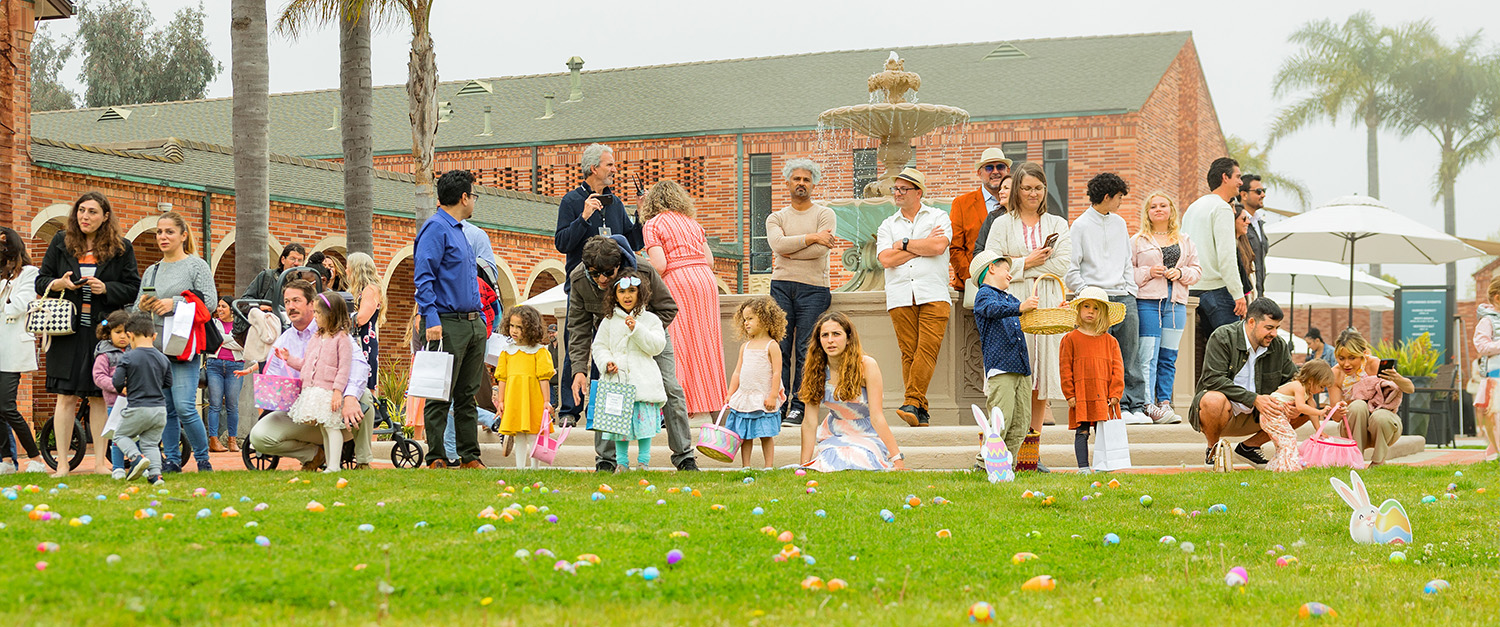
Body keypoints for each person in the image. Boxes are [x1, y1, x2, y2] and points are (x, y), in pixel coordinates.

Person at [565, 235, 697, 472]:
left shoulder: (643, 270)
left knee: (670, 387)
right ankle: (605, 461)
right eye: (595, 273)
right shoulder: (578, 280)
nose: (602, 279)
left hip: (650, 334)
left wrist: (644, 329)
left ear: (618, 265)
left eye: (608, 273)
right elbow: (578, 328)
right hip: (612, 338)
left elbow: (668, 307)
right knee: (607, 391)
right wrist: (578, 370)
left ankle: (684, 456)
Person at [36, 192, 140, 477]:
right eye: (81, 210)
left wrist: (106, 289)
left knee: (98, 395)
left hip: (102, 334)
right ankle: (63, 465)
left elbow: (132, 287)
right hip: (66, 332)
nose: (85, 216)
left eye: (92, 212)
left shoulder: (122, 248)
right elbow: (41, 280)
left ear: (105, 216)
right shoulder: (60, 242)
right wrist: (59, 283)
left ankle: (98, 464)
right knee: (65, 397)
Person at [983, 162, 1072, 453]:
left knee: (1041, 373)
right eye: (1026, 188)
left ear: (1045, 190)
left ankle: (1030, 452)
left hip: (1045, 300)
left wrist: (1018, 261)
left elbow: (1062, 264)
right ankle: (1000, 448)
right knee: (1014, 373)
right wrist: (1028, 262)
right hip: (1014, 300)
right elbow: (993, 262)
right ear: (1017, 190)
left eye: (1038, 188)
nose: (1032, 193)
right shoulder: (1001, 223)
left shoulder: (1057, 224)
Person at [554, 143, 644, 424]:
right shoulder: (571, 202)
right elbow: (562, 243)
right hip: (583, 287)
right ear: (594, 168)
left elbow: (633, 242)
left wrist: (640, 215)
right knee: (577, 345)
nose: (614, 170)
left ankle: (605, 409)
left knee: (612, 345)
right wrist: (584, 217)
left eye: (614, 165)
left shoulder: (616, 203)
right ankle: (570, 411)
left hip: (615, 289)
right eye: (609, 165)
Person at [244, 281, 375, 470]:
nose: (290, 306)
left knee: (364, 396)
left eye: (296, 300)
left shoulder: (336, 334)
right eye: (287, 301)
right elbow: (276, 379)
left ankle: (363, 461)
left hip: (337, 408)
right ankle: (313, 455)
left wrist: (349, 396)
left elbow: (358, 365)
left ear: (311, 304)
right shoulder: (284, 339)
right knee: (259, 437)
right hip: (305, 409)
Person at [415, 169, 489, 470]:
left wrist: (481, 321)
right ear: (463, 197)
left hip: (473, 322)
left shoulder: (459, 230)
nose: (474, 201)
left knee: (467, 394)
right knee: (439, 392)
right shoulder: (436, 228)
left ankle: (470, 456)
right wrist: (431, 319)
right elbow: (424, 278)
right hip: (446, 322)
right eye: (474, 195)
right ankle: (436, 457)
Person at [136, 211, 216, 474]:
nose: (163, 237)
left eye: (169, 231)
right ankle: (171, 460)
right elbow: (138, 310)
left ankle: (203, 460)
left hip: (184, 346)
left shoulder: (196, 266)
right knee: (166, 409)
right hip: (156, 347)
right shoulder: (151, 271)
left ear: (183, 235)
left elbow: (211, 304)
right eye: (159, 232)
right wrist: (143, 305)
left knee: (184, 406)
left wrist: (176, 302)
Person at [1067, 173, 1148, 424]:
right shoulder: (1079, 226)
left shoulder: (1120, 224)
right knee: (1102, 359)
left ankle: (1136, 406)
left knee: (1130, 354)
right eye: (1119, 197)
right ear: (1107, 197)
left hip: (1124, 297)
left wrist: (1130, 290)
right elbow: (1071, 269)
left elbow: (1126, 261)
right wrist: (1088, 294)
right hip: (1095, 301)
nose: (1121, 202)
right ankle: (1115, 408)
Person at [642, 180, 727, 417]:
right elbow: (710, 261)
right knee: (707, 345)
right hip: (705, 281)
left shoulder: (652, 225)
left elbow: (660, 265)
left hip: (678, 282)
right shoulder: (693, 223)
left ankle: (681, 407)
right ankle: (715, 408)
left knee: (677, 345)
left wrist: (641, 264)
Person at [1188, 298, 1305, 467]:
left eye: (1277, 328)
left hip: (1262, 415)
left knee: (1305, 405)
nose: (1274, 334)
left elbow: (1292, 379)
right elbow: (1212, 379)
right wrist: (1254, 399)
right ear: (1251, 322)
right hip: (1224, 413)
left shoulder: (1278, 345)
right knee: (1212, 400)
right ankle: (1213, 450)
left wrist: (1292, 403)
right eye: (1269, 327)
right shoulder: (1223, 337)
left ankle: (1250, 447)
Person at [875, 168, 951, 427]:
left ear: (918, 192)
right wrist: (920, 247)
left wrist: (904, 244)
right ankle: (920, 410)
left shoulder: (939, 216)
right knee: (909, 353)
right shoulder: (887, 225)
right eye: (895, 189)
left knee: (926, 350)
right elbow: (886, 259)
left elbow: (938, 246)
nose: (897, 193)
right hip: (899, 295)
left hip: (934, 293)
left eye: (903, 189)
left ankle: (911, 401)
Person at [766, 158, 836, 427]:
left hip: (814, 289)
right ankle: (779, 404)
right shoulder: (777, 217)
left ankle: (799, 406)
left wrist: (790, 250)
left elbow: (822, 249)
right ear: (788, 183)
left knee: (806, 348)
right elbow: (777, 244)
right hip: (781, 286)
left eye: (806, 179)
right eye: (797, 179)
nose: (801, 184)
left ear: (813, 184)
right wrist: (810, 237)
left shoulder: (824, 214)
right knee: (780, 347)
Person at [798, 311, 906, 471]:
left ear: (848, 338)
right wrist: (803, 465)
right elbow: (809, 422)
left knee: (858, 457)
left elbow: (877, 416)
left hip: (866, 433)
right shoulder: (815, 370)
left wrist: (897, 459)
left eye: (836, 334)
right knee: (833, 457)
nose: (830, 340)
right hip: (835, 433)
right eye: (825, 335)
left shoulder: (867, 366)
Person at [1131, 191, 1200, 424]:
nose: (1158, 209)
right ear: (1147, 213)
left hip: (1176, 303)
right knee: (1147, 355)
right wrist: (1148, 272)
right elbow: (1127, 273)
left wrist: (1180, 273)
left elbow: (1197, 271)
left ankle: (1164, 403)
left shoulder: (1185, 240)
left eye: (1163, 205)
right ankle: (1147, 403)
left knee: (1168, 356)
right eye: (1153, 207)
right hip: (1147, 303)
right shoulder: (1138, 240)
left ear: (1171, 209)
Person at [591, 269, 667, 471]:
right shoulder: (608, 321)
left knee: (644, 426)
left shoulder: (650, 320)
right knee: (618, 427)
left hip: (643, 381)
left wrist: (637, 329)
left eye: (632, 291)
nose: (627, 296)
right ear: (614, 295)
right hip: (617, 382)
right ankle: (622, 463)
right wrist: (607, 362)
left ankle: (644, 462)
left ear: (640, 293)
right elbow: (599, 346)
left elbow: (657, 346)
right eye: (622, 292)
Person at [1182, 157, 1245, 381]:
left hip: (1190, 291)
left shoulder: (1193, 207)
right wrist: (1238, 294)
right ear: (1224, 177)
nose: (1240, 182)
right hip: (1218, 291)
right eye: (1238, 177)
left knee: (1197, 356)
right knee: (1236, 352)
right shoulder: (1221, 208)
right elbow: (1227, 256)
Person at [971, 251, 1038, 455]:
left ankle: (1007, 464)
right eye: (1006, 270)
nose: (1010, 275)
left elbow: (1025, 312)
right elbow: (994, 309)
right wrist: (1020, 307)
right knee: (1001, 420)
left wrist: (1048, 309)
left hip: (1021, 368)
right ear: (992, 268)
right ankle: (985, 464)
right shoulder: (984, 295)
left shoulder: (1009, 298)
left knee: (1021, 421)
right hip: (1001, 369)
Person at [1059, 288, 1125, 470]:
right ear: (1079, 309)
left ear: (1102, 313)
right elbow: (1065, 368)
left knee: (1104, 433)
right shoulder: (1070, 339)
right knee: (1082, 431)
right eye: (1086, 306)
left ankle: (1106, 465)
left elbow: (1118, 370)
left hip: (1104, 395)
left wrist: (1115, 393)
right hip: (1082, 394)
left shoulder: (1110, 341)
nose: (1090, 311)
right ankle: (1083, 467)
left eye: (1096, 308)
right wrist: (1070, 394)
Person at [0, 227, 45, 474]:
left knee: (7, 406)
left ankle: (35, 457)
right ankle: (7, 460)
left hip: (14, 347)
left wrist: (6, 287)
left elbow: (19, 306)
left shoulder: (29, 272)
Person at [1330, 330, 1408, 466]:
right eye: (1341, 358)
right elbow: (1336, 418)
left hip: (1383, 425)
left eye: (1352, 358)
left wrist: (1397, 378)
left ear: (1363, 354)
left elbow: (1406, 389)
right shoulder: (1335, 374)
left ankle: (1378, 463)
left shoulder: (1374, 365)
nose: (1346, 364)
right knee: (1358, 405)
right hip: (1353, 427)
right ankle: (1355, 462)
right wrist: (1341, 408)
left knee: (1380, 416)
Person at [725, 296, 786, 469]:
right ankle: (746, 466)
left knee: (766, 435)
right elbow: (737, 371)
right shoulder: (745, 346)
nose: (746, 323)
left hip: (763, 398)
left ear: (765, 319)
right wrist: (731, 393)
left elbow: (777, 373)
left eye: (750, 318)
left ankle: (768, 466)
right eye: (744, 319)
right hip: (746, 397)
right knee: (745, 435)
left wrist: (773, 396)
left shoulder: (772, 346)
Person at [111, 313, 171, 484]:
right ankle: (156, 476)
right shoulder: (163, 358)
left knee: (120, 435)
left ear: (130, 335)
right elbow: (167, 383)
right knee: (151, 444)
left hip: (138, 407)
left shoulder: (128, 357)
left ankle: (135, 457)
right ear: (154, 335)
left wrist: (125, 387)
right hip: (159, 410)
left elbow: (116, 382)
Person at [494, 304, 553, 470]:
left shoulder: (539, 351)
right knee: (519, 435)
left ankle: (535, 468)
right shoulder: (507, 352)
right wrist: (501, 401)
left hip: (533, 398)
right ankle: (520, 468)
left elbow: (544, 378)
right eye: (512, 326)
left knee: (534, 434)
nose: (514, 330)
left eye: (519, 327)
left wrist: (546, 401)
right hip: (514, 399)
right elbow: (502, 378)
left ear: (530, 328)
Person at [949, 148, 1011, 292]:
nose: (995, 171)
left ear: (1007, 170)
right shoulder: (962, 203)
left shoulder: (1020, 206)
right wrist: (976, 279)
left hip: (1013, 284)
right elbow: (955, 249)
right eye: (989, 167)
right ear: (979, 173)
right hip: (973, 286)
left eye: (1000, 167)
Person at [1265, 360, 1338, 472]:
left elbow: (1311, 411)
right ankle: (1290, 468)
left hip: (1277, 416)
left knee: (1284, 443)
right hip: (1271, 414)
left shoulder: (1308, 393)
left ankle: (1276, 467)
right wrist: (1320, 412)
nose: (1322, 390)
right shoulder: (1298, 386)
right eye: (1321, 386)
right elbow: (1300, 407)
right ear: (1311, 380)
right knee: (1290, 438)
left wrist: (1318, 429)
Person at [90, 311, 130, 479]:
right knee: (117, 436)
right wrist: (117, 387)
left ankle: (137, 465)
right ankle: (118, 468)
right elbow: (99, 377)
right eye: (118, 332)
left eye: (126, 332)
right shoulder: (105, 354)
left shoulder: (134, 351)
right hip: (115, 403)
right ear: (108, 334)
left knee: (136, 436)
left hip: (135, 402)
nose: (123, 337)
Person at [205, 298, 244, 453]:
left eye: (223, 306)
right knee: (214, 404)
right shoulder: (213, 324)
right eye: (218, 306)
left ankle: (232, 441)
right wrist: (231, 340)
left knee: (232, 405)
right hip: (214, 366)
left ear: (232, 309)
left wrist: (221, 339)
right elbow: (212, 340)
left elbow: (243, 344)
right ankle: (213, 441)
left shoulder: (240, 325)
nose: (219, 309)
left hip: (236, 367)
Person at [344, 252, 386, 392]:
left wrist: (339, 320)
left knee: (366, 385)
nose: (346, 271)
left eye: (348, 267)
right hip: (357, 340)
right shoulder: (360, 290)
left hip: (364, 341)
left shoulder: (370, 290)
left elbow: (361, 319)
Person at [239, 243, 307, 322]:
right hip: (266, 328)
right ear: (283, 260)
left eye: (300, 260)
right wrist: (259, 307)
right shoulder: (267, 276)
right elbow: (244, 302)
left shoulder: (304, 285)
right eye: (292, 259)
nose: (296, 263)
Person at [1473, 277, 1500, 461]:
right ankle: (1496, 449)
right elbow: (1482, 346)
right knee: (1495, 414)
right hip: (1496, 376)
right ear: (1498, 298)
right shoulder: (1488, 321)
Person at [1238, 174, 1270, 299]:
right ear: (1244, 195)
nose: (1263, 195)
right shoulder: (1236, 221)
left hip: (1258, 293)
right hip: (1243, 294)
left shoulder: (1258, 223)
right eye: (1258, 191)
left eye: (1264, 191)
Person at [972, 175, 1014, 258]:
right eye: (1000, 188)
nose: (1000, 192)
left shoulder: (1028, 217)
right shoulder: (993, 217)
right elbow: (979, 250)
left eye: (1006, 188)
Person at [1232, 205, 1256, 305]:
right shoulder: (1229, 246)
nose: (1248, 222)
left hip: (1248, 299)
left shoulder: (1246, 245)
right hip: (1237, 300)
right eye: (1244, 219)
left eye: (1248, 219)